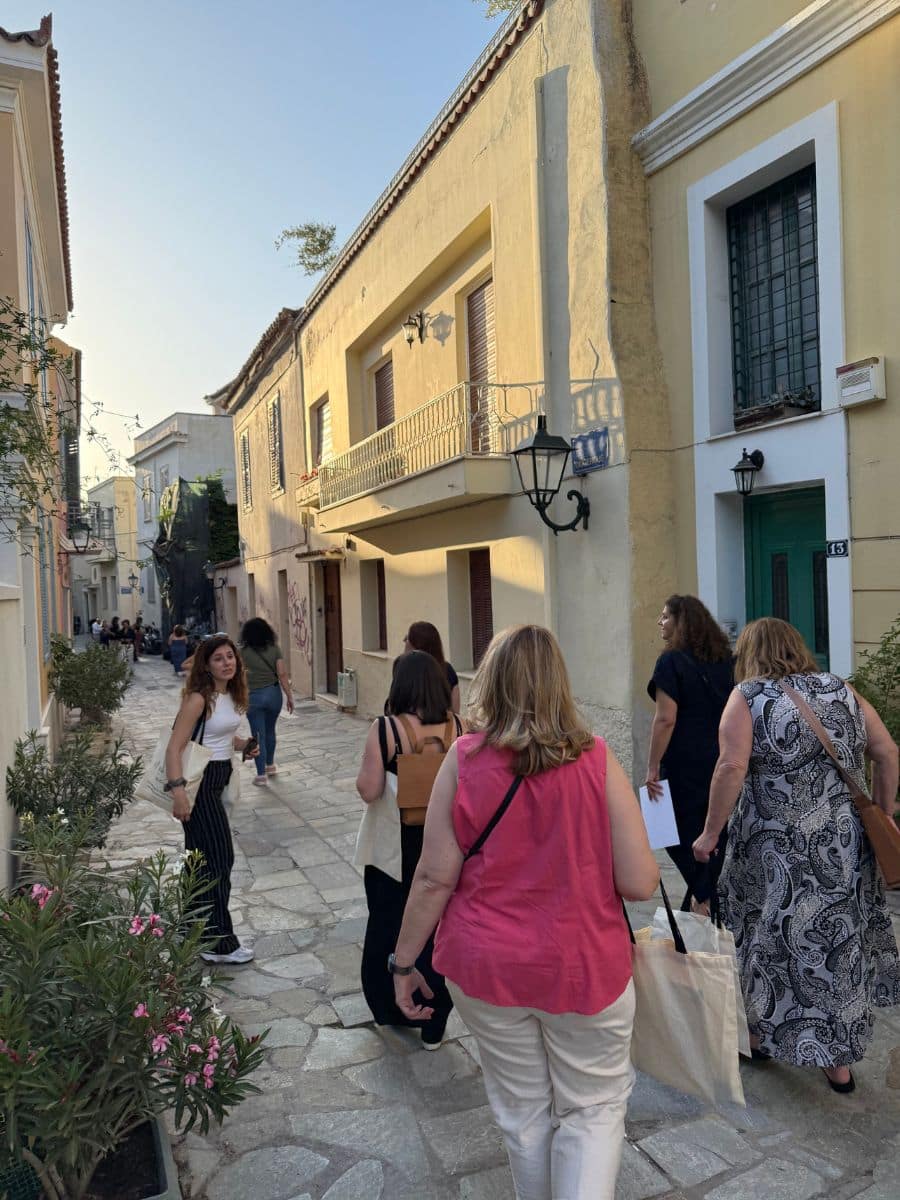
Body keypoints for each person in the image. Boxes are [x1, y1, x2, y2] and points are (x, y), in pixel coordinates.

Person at [391, 626, 658, 1200]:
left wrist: (403, 963)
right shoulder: (597, 760)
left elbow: (435, 875)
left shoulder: (464, 761)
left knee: (522, 1113)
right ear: (560, 684)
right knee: (592, 1110)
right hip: (584, 963)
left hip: (487, 968)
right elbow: (639, 882)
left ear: (491, 682)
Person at [693, 617, 900, 1094]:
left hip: (772, 846)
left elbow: (730, 766)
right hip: (842, 844)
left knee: (768, 937)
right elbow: (887, 752)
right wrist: (883, 817)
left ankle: (762, 1035)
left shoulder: (748, 697)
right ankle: (837, 1063)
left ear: (749, 653)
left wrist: (709, 834)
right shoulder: (842, 690)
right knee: (837, 942)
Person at [355, 650, 463, 1047]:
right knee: (440, 929)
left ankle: (390, 1008)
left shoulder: (386, 730)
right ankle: (435, 1017)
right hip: (447, 845)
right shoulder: (461, 728)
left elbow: (369, 790)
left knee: (387, 924)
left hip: (394, 850)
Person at [164, 635, 258, 965]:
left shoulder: (228, 694)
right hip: (199, 787)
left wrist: (243, 744)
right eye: (218, 658)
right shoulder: (198, 699)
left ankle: (193, 930)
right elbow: (174, 747)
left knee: (200, 862)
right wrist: (178, 792)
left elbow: (219, 736)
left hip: (217, 780)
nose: (226, 663)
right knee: (219, 860)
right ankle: (219, 944)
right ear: (206, 664)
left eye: (230, 656)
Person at [645, 594, 734, 912]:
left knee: (665, 831)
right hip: (722, 758)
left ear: (681, 622)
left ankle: (705, 895)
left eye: (666, 616)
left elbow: (665, 718)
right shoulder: (727, 660)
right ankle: (704, 897)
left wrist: (652, 765)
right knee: (712, 833)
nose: (660, 621)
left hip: (682, 761)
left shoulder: (670, 661)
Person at [240, 617, 295, 787]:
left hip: (253, 696)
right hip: (273, 694)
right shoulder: (274, 649)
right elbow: (282, 674)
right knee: (270, 731)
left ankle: (261, 775)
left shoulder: (242, 652)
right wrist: (289, 696)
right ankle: (270, 765)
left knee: (258, 736)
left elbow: (239, 676)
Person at [404, 621, 460, 714]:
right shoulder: (447, 670)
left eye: (407, 638)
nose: (405, 641)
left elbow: (395, 710)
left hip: (410, 727)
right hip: (443, 727)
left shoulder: (405, 671)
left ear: (415, 644)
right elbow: (455, 712)